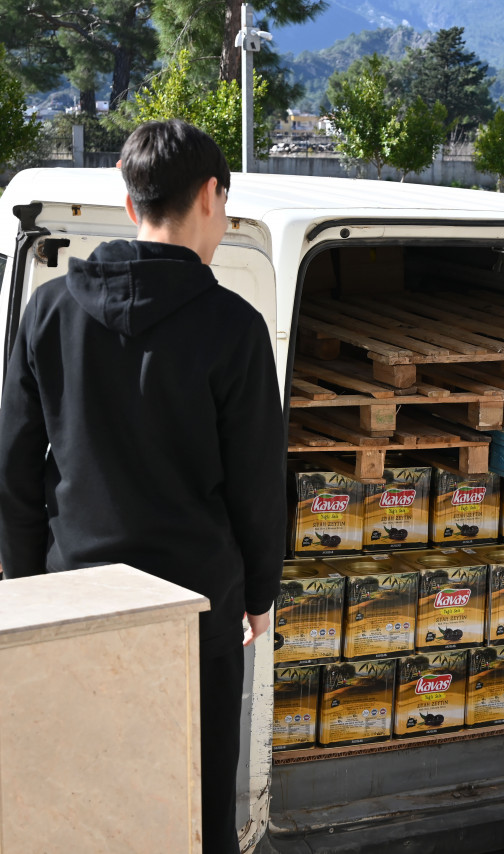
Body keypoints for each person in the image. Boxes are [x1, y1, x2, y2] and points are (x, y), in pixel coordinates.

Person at [0, 119, 286, 853]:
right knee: (195, 805)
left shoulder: (48, 311)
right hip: (197, 608)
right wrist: (259, 593)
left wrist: (33, 590)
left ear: (132, 206)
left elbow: (14, 468)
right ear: (210, 197)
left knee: (82, 804)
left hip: (77, 600)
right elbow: (257, 479)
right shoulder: (235, 327)